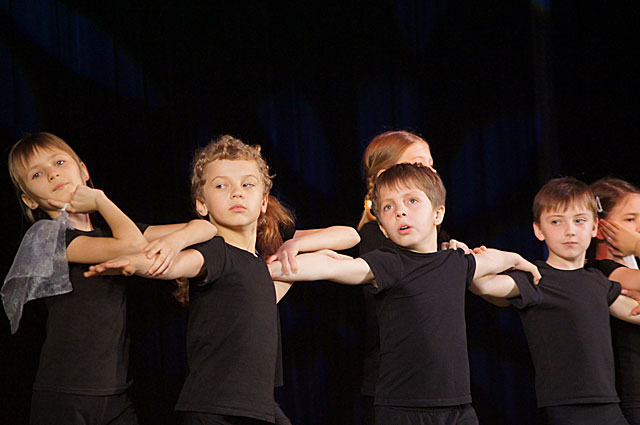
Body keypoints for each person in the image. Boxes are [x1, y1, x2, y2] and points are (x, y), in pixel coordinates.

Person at [86, 135, 359, 425]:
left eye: (247, 184)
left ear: (263, 202)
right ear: (201, 205)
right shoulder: (216, 251)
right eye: (221, 186)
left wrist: (296, 246)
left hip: (257, 407)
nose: (237, 193)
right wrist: (137, 263)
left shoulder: (260, 263)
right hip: (214, 409)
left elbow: (347, 239)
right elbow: (179, 263)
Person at [269, 163, 540, 425]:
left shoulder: (456, 261)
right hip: (402, 408)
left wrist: (519, 260)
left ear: (437, 214)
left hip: (457, 407)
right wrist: (270, 267)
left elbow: (492, 259)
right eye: (389, 207)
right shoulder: (389, 263)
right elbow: (330, 265)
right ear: (383, 228)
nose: (400, 211)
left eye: (412, 201)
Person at [3, 132, 217, 425]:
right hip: (66, 394)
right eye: (37, 174)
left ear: (83, 170)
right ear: (29, 199)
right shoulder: (47, 238)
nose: (53, 174)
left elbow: (206, 228)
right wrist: (100, 200)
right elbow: (132, 245)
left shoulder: (113, 232)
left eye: (59, 162)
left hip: (116, 394)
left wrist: (174, 241)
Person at [356, 130, 503, 423]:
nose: (431, 171)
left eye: (431, 164)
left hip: (441, 388)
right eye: (419, 164)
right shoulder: (376, 239)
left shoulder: (435, 237)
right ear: (386, 175)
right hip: (403, 391)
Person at [470, 177, 640, 425]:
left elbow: (633, 313)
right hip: (565, 410)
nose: (570, 230)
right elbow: (482, 284)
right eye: (556, 222)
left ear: (594, 227)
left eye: (579, 220)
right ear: (539, 230)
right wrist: (506, 260)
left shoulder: (598, 280)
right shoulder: (535, 278)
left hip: (609, 406)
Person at [588, 177, 640, 424]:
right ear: (600, 228)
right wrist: (637, 245)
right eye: (630, 219)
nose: (639, 227)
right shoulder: (601, 271)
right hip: (631, 399)